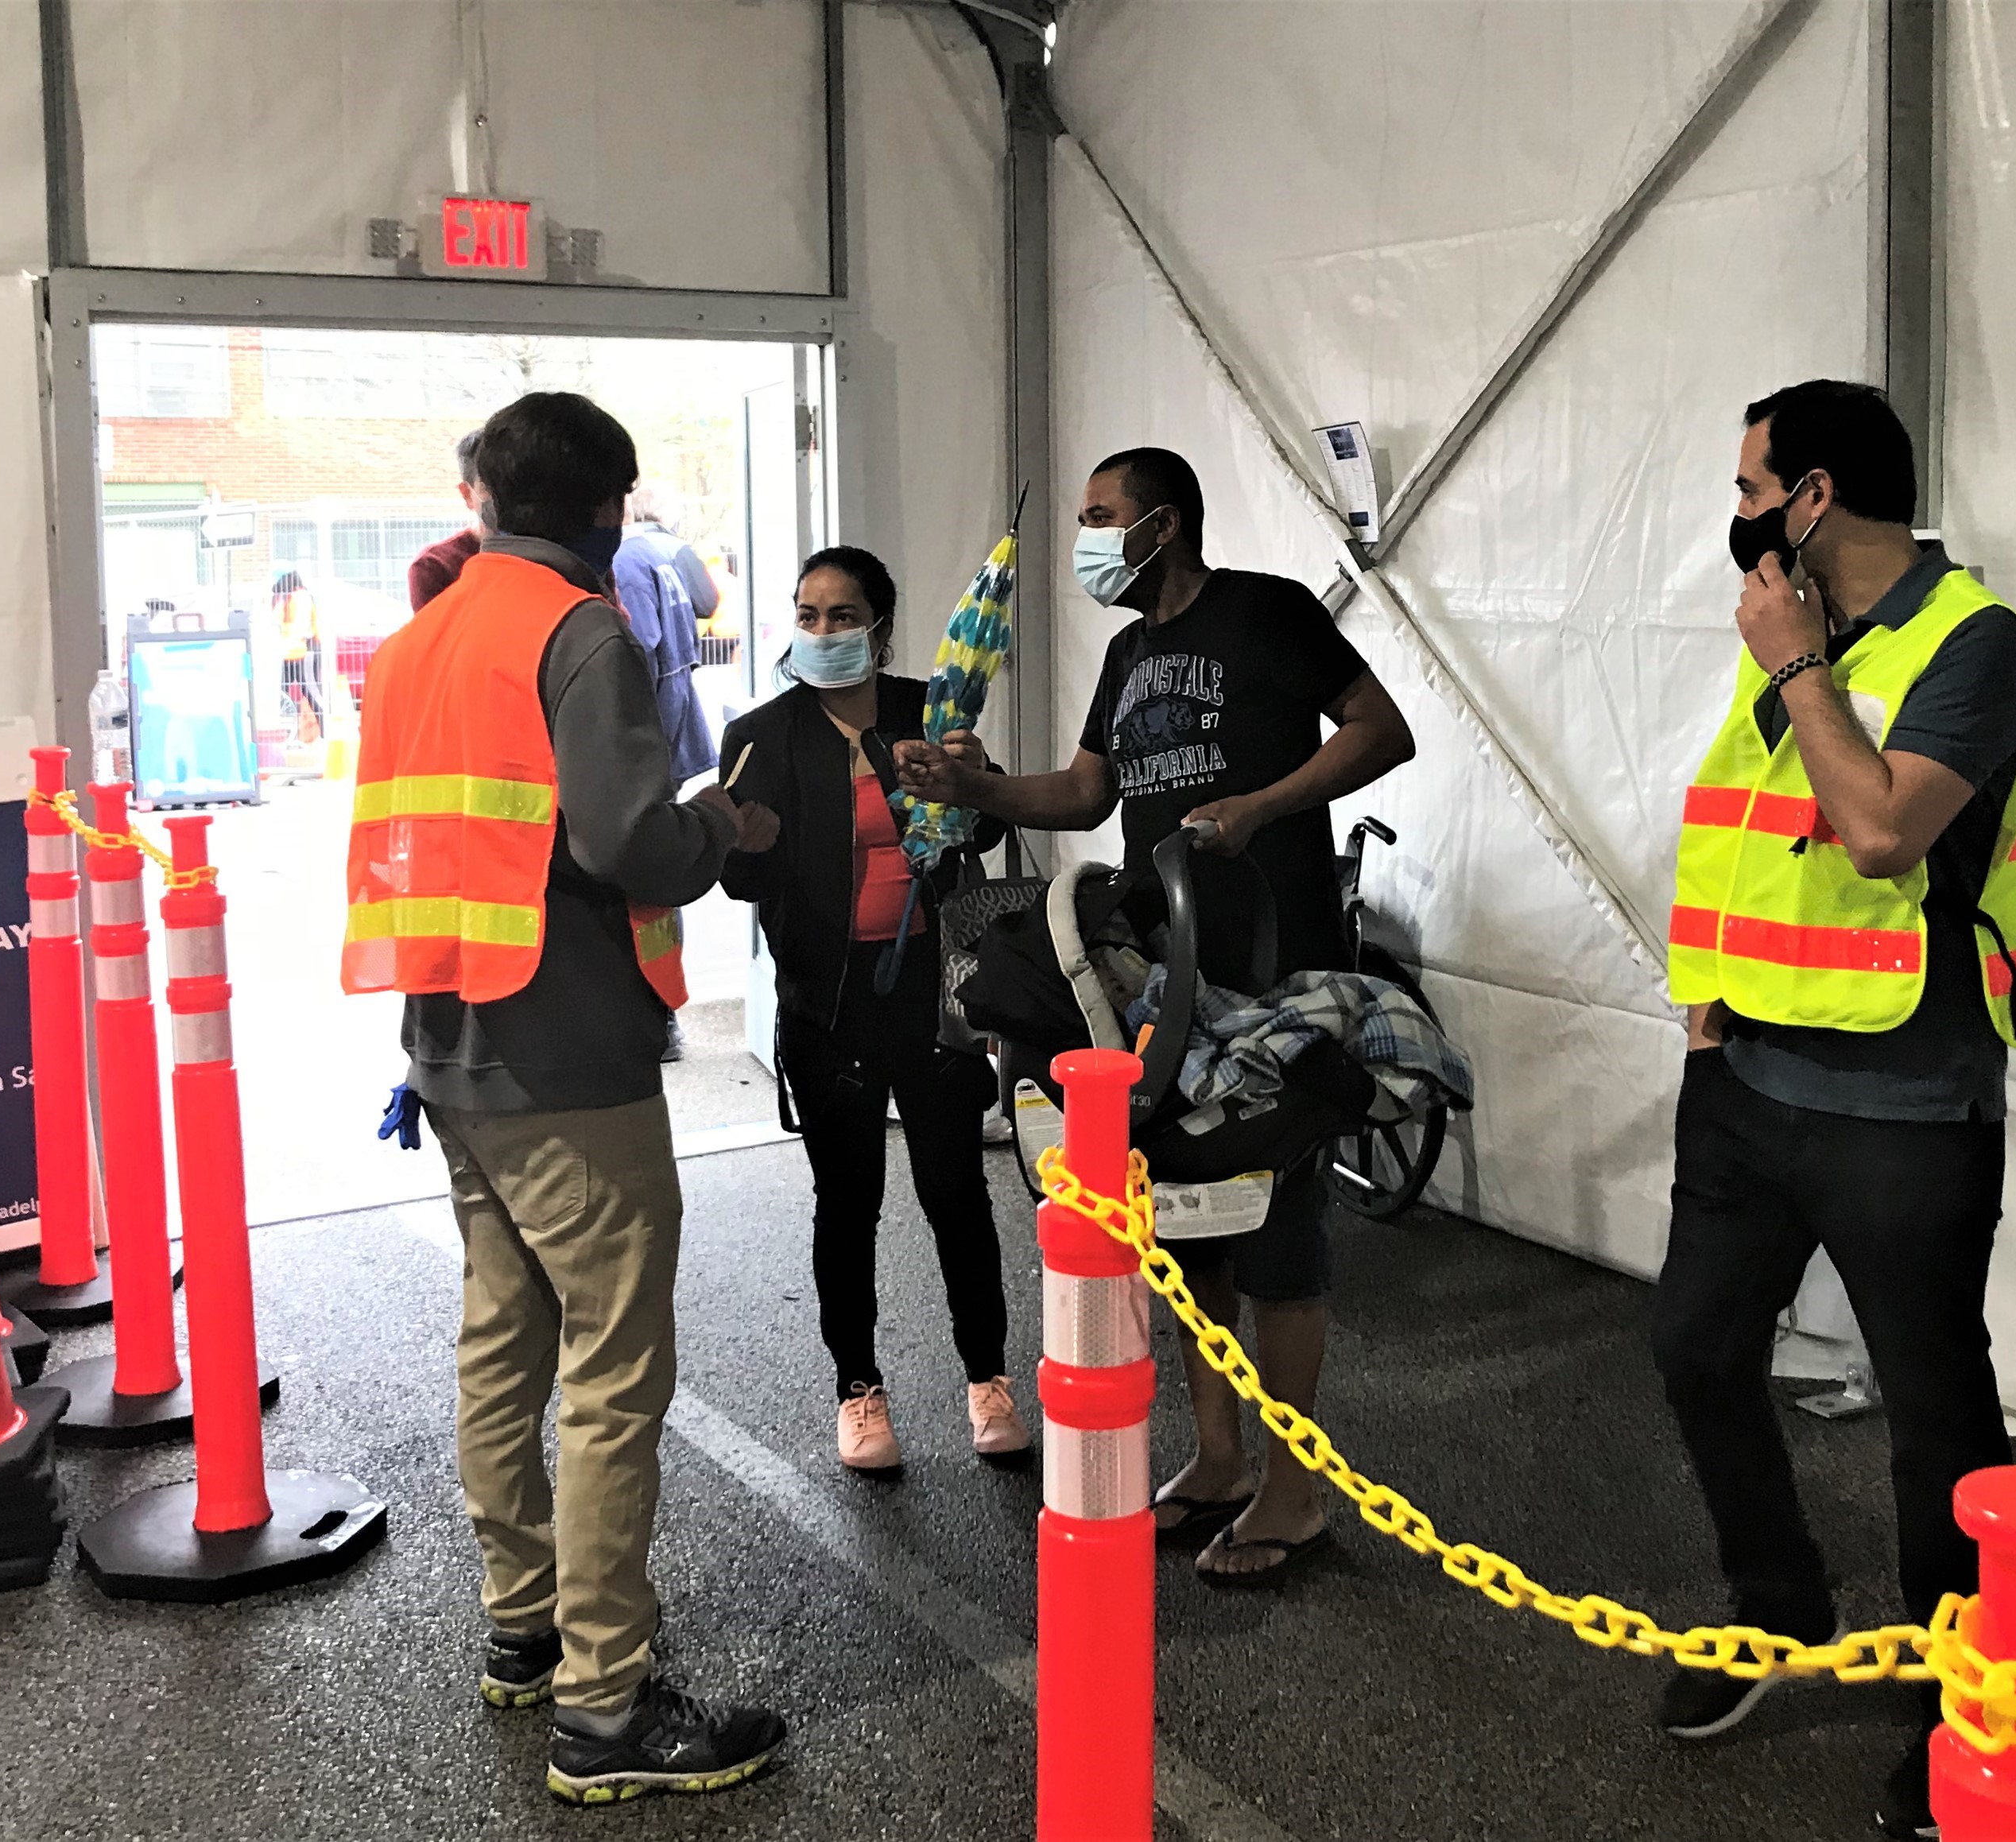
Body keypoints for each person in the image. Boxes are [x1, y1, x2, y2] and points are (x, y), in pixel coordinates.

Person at [343, 390, 788, 1802]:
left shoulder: (416, 638)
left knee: (502, 1338)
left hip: (451, 1041)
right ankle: (605, 1710)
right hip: (569, 1049)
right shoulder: (577, 628)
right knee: (611, 1370)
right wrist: (725, 817)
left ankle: (525, 1627)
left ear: (485, 496)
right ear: (607, 509)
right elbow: (634, 845)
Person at [894, 447, 1415, 1584]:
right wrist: (973, 788)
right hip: (1166, 976)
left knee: (1281, 1231)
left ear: (1162, 524)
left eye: (1099, 516)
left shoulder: (1268, 614)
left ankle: (1295, 1492)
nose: (1084, 537)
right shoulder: (1128, 651)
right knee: (1194, 1222)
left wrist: (1265, 806)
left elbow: (1383, 730)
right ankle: (1219, 1460)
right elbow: (1086, 792)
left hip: (1275, 969)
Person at [1652, 381, 2016, 1841]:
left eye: (1750, 484)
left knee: (1934, 1415)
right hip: (1746, 1083)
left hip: (1905, 1100)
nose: (1739, 514)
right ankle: (1777, 1606)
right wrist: (1709, 998)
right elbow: (1760, 842)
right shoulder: (1799, 641)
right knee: (1693, 1346)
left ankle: (1968, 1698)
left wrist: (1800, 670)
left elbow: (1880, 835)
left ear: (1811, 497)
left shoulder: (1972, 645)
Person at [719, 546, 1029, 1474]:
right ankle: (858, 1391)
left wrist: (971, 782)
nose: (823, 632)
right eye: (808, 614)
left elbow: (993, 819)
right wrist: (748, 844)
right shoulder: (761, 734)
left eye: (843, 616)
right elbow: (739, 878)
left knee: (958, 1195)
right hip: (829, 1008)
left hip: (936, 999)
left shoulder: (932, 708)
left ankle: (989, 1380)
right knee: (847, 1205)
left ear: (881, 628)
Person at [612, 485, 720, 1065]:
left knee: (643, 874)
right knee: (658, 874)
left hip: (649, 728)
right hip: (677, 718)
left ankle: (656, 1013)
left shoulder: (625, 560)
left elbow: (639, 648)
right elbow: (708, 602)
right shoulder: (671, 552)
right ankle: (663, 1007)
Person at [409, 428, 490, 611]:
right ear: (467, 494)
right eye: (490, 488)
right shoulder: (435, 566)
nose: (505, 498)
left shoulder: (552, 557)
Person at [270, 569, 323, 735]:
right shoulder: (285, 597)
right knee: (279, 695)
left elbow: (300, 628)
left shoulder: (301, 597)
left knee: (312, 693)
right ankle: (282, 734)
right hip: (287, 655)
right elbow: (275, 622)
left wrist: (282, 647)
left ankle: (326, 733)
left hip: (305, 653)